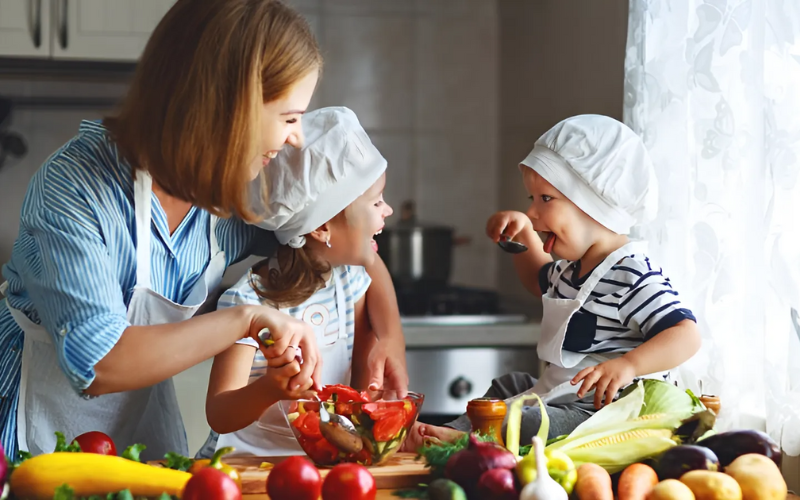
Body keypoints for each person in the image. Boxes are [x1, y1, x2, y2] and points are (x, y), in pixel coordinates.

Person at [0, 0, 406, 461]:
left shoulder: (230, 197)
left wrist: (386, 339)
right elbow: (99, 362)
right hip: (29, 439)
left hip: (141, 434)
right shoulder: (74, 188)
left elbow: (344, 244)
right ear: (230, 106)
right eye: (289, 118)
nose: (294, 137)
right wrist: (245, 319)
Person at [403, 114, 702, 450]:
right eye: (531, 200)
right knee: (509, 386)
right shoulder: (570, 269)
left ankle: (464, 442)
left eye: (545, 199)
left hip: (603, 410)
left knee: (534, 421)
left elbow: (685, 334)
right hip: (560, 393)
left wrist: (628, 365)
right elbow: (536, 276)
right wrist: (520, 232)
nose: (532, 211)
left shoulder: (632, 273)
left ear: (595, 205)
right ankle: (439, 434)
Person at [198, 106, 393, 457]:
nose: (388, 210)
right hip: (244, 471)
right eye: (376, 201)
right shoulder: (249, 302)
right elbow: (219, 413)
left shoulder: (350, 281)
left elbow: (361, 380)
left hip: (318, 464)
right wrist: (271, 389)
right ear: (321, 228)